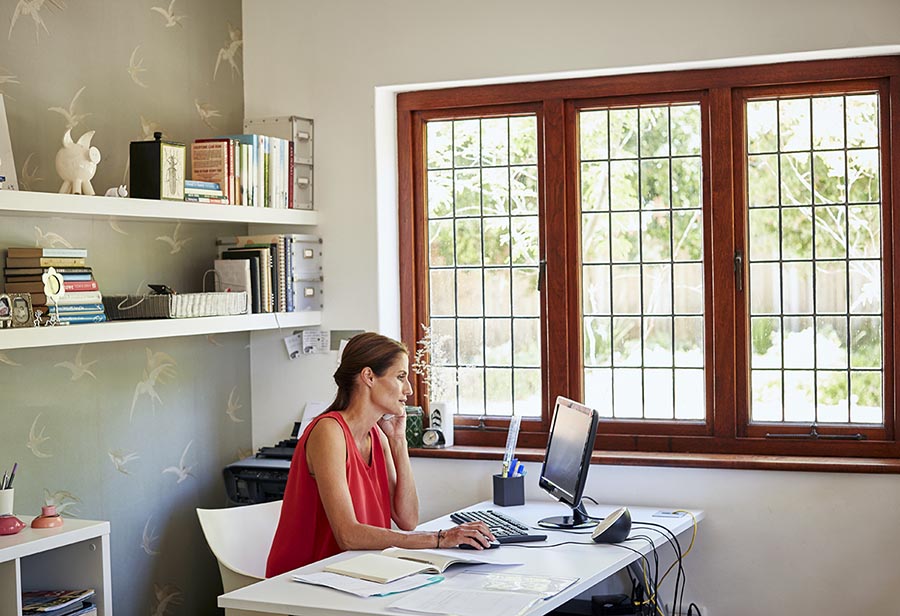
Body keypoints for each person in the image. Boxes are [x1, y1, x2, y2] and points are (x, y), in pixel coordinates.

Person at [266, 332, 495, 577]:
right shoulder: (329, 432)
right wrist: (439, 538)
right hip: (306, 580)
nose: (408, 390)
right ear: (368, 377)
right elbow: (348, 536)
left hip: (359, 573)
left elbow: (408, 519)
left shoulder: (376, 435)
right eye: (400, 377)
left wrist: (398, 442)